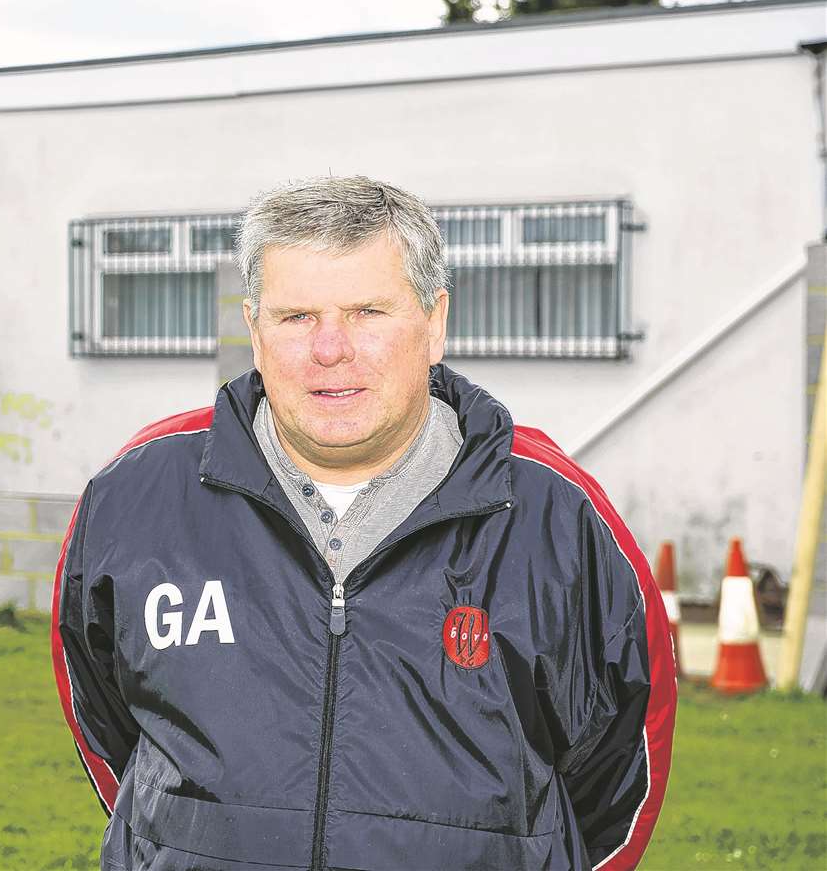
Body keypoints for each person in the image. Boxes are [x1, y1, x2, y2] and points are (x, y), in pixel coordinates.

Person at [51, 176, 676, 871]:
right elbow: (104, 725)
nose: (329, 349)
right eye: (295, 317)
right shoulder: (136, 495)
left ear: (434, 323)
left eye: (367, 312)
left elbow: (621, 773)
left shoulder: (557, 513)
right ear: (254, 330)